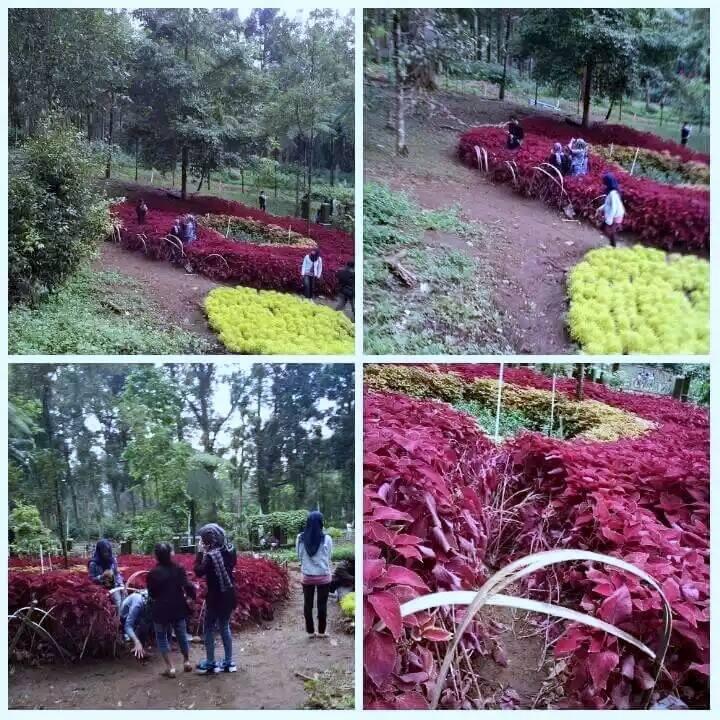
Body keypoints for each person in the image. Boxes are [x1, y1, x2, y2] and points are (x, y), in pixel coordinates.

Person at [146, 542, 196, 678]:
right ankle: (186, 661)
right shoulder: (179, 569)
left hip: (161, 610)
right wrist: (192, 598)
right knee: (181, 635)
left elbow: (152, 594)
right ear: (170, 554)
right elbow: (187, 586)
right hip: (178, 607)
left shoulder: (152, 574)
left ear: (156, 556)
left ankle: (170, 667)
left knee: (162, 638)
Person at [194, 523, 238, 674]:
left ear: (208, 540)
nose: (201, 542)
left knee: (208, 628)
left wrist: (199, 553)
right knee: (225, 626)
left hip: (215, 597)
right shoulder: (230, 551)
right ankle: (228, 662)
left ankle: (211, 662)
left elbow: (198, 572)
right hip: (229, 595)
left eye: (202, 540)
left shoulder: (211, 557)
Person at [296, 511, 333, 638]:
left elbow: (299, 556)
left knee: (308, 604)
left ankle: (310, 632)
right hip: (323, 577)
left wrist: (307, 565)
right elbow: (329, 557)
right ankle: (322, 632)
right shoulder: (326, 538)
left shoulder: (300, 538)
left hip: (307, 577)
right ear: (321, 522)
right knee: (322, 605)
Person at [88, 539, 125, 611]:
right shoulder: (93, 563)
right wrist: (102, 576)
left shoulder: (113, 560)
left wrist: (122, 585)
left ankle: (121, 619)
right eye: (104, 551)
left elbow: (117, 574)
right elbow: (91, 579)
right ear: (99, 551)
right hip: (101, 587)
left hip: (114, 585)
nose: (106, 554)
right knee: (115, 602)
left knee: (122, 601)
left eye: (108, 551)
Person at [119, 590, 153, 659]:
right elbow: (128, 626)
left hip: (141, 614)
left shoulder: (153, 597)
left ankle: (140, 649)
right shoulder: (137, 604)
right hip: (125, 615)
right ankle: (137, 645)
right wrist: (136, 641)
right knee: (143, 625)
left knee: (145, 625)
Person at [601, 172, 625, 247]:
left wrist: (609, 219)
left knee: (610, 231)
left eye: (604, 182)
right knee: (604, 228)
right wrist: (600, 208)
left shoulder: (613, 194)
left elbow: (614, 208)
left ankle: (613, 246)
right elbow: (608, 204)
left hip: (616, 215)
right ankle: (612, 244)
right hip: (613, 215)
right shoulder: (612, 192)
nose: (603, 184)